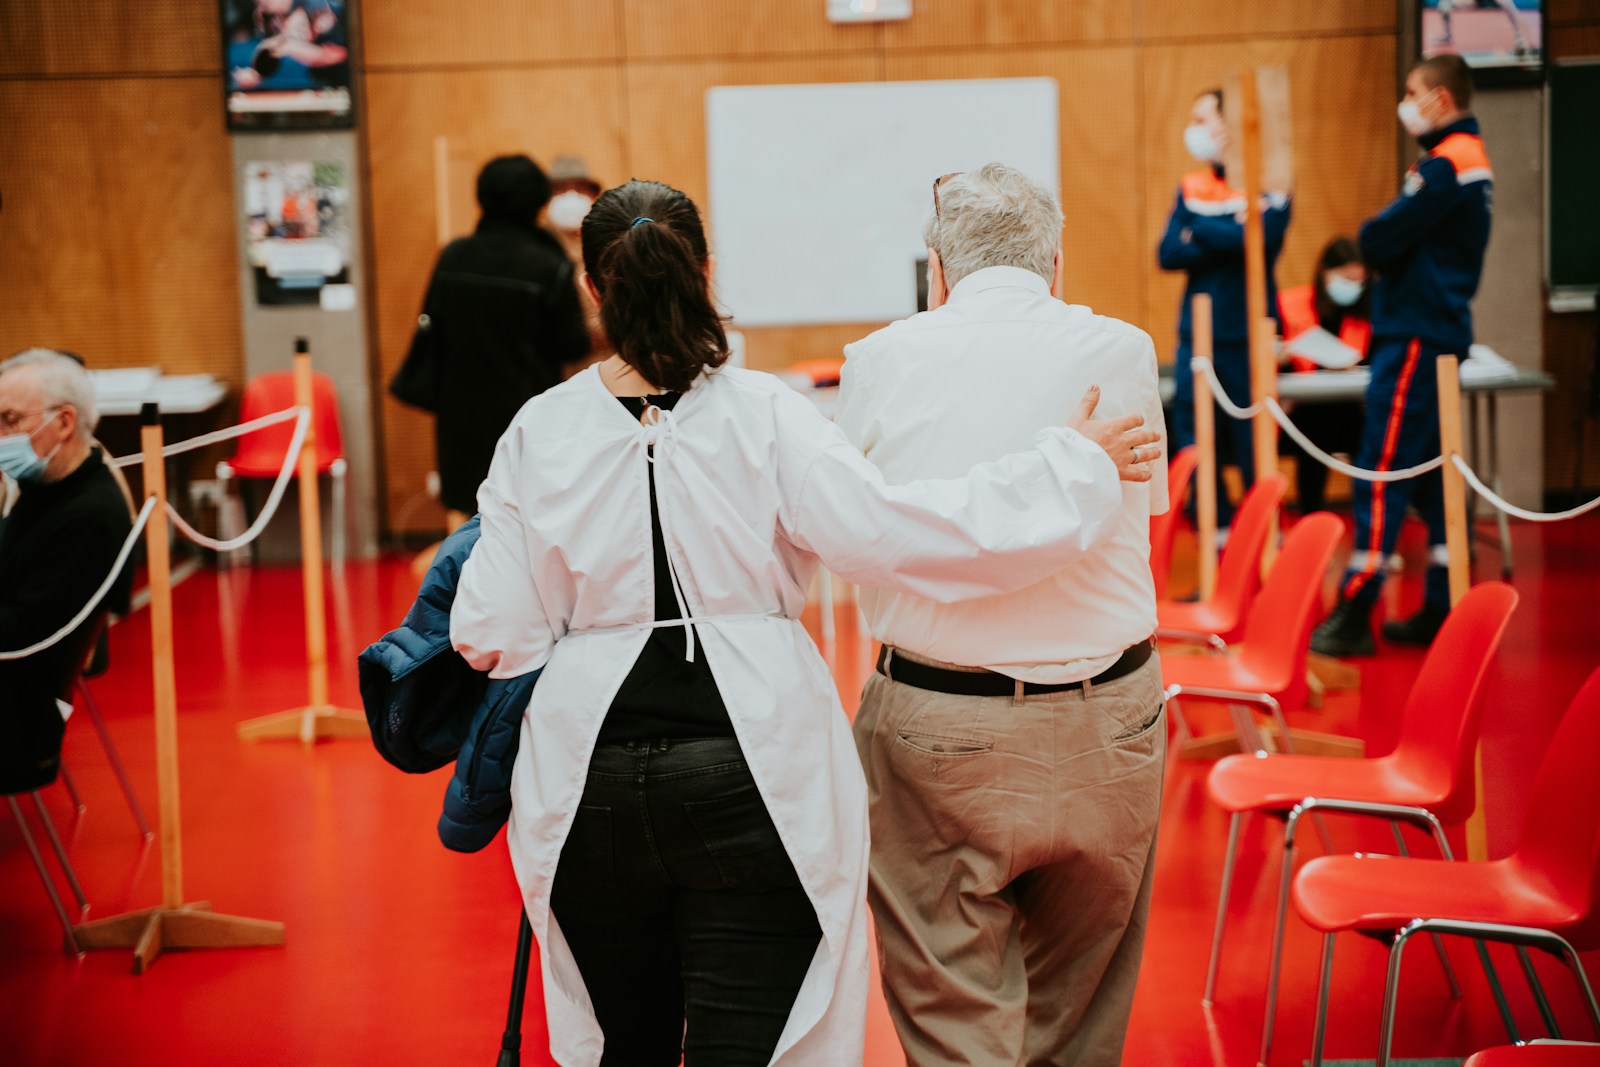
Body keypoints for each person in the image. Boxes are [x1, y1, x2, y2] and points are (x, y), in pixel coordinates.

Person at [448, 179, 1161, 1067]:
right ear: (705, 272)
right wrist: (1075, 470)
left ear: (594, 287)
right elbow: (902, 535)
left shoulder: (536, 431)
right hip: (753, 769)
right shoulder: (766, 413)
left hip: (586, 782)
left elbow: (488, 629)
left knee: (622, 1044)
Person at [836, 163, 1169, 1067]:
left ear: (936, 268)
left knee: (954, 1010)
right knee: (1080, 1013)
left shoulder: (878, 360)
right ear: (1056, 262)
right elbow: (1148, 511)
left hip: (942, 729)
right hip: (1114, 721)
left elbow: (852, 524)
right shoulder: (1124, 351)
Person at [1312, 54, 1492, 657]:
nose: (1407, 102)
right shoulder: (1471, 162)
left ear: (1440, 98)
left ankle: (1357, 606)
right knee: (1435, 476)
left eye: (1413, 91)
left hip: (1414, 334)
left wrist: (1380, 238)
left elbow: (1377, 237)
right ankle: (1442, 602)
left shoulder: (1445, 166)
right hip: (1438, 330)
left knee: (1383, 467)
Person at [402, 154, 590, 527]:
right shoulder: (548, 264)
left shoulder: (453, 255)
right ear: (539, 202)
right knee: (524, 517)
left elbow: (433, 326)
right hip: (527, 415)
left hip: (459, 416)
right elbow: (572, 344)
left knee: (465, 518)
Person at [1159, 86, 1292, 533]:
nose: (1194, 130)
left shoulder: (1271, 181)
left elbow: (1262, 240)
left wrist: (1200, 231)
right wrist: (1228, 233)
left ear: (1228, 126)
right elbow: (1168, 252)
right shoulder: (1192, 185)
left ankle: (1261, 548)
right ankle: (1214, 546)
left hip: (1246, 337)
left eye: (1202, 120)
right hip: (1195, 339)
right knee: (1197, 446)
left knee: (1253, 446)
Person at [0, 349, 133, 794]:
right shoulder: (46, 487)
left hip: (19, 718)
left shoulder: (90, 516)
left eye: (10, 420)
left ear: (63, 422)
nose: (1, 435)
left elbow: (23, 636)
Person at [1278, 236, 1373, 512]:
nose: (1352, 287)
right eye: (1345, 278)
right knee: (1314, 431)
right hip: (1304, 410)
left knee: (1369, 440)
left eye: (1359, 280)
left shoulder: (1368, 312)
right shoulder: (1291, 303)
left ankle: (1368, 525)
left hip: (1353, 409)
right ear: (1325, 272)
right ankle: (1310, 513)